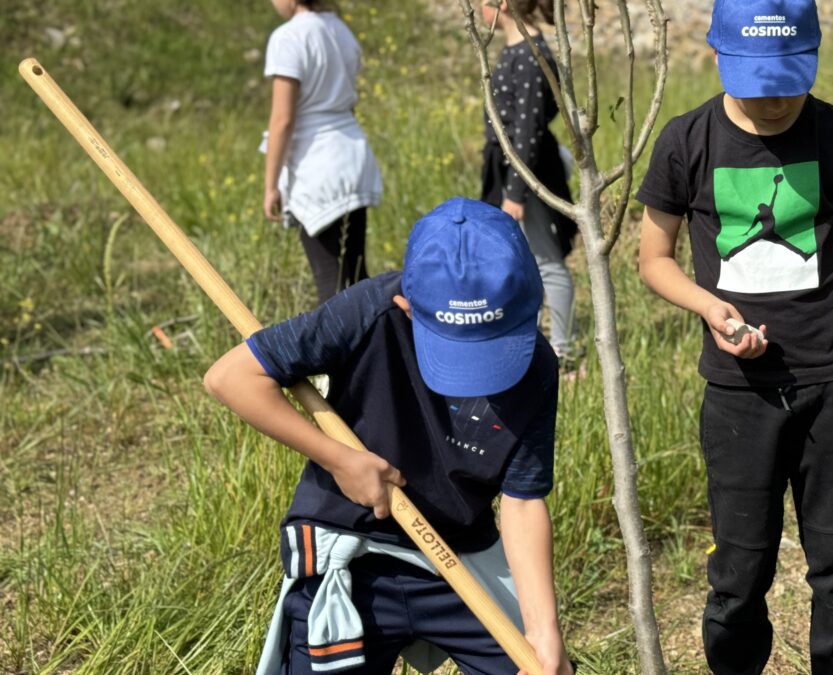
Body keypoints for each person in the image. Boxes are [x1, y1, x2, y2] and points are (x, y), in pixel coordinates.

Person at [636, 0, 833, 673]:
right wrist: (711, 309)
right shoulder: (686, 140)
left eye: (789, 77)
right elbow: (653, 259)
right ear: (718, 54)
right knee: (738, 573)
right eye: (758, 79)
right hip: (739, 395)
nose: (776, 97)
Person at [204, 198, 573, 675]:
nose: (477, 375)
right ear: (406, 304)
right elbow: (231, 378)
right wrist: (340, 459)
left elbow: (523, 502)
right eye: (455, 352)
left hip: (458, 559)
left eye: (492, 349)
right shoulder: (370, 312)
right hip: (351, 553)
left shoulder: (535, 366)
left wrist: (544, 633)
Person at [262, 0, 382, 304]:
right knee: (355, 276)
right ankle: (378, 347)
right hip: (352, 155)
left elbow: (283, 120)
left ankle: (352, 352)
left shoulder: (288, 37)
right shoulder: (341, 29)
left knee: (332, 287)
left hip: (317, 167)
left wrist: (270, 185)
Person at [480, 0, 578, 366]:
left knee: (545, 259)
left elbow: (528, 128)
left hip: (527, 171)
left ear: (502, 5)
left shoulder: (532, 54)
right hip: (510, 169)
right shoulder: (517, 49)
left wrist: (517, 191)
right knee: (522, 261)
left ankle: (562, 350)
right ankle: (532, 343)